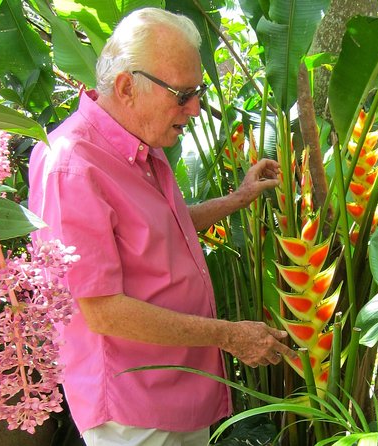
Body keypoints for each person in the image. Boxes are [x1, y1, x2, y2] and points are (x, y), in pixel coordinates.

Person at [28, 7, 295, 446]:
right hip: (133, 408)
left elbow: (158, 229)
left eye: (198, 91)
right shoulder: (71, 165)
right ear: (127, 87)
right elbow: (101, 310)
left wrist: (237, 199)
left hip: (178, 388)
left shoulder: (139, 144)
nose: (194, 108)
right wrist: (229, 336)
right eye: (182, 93)